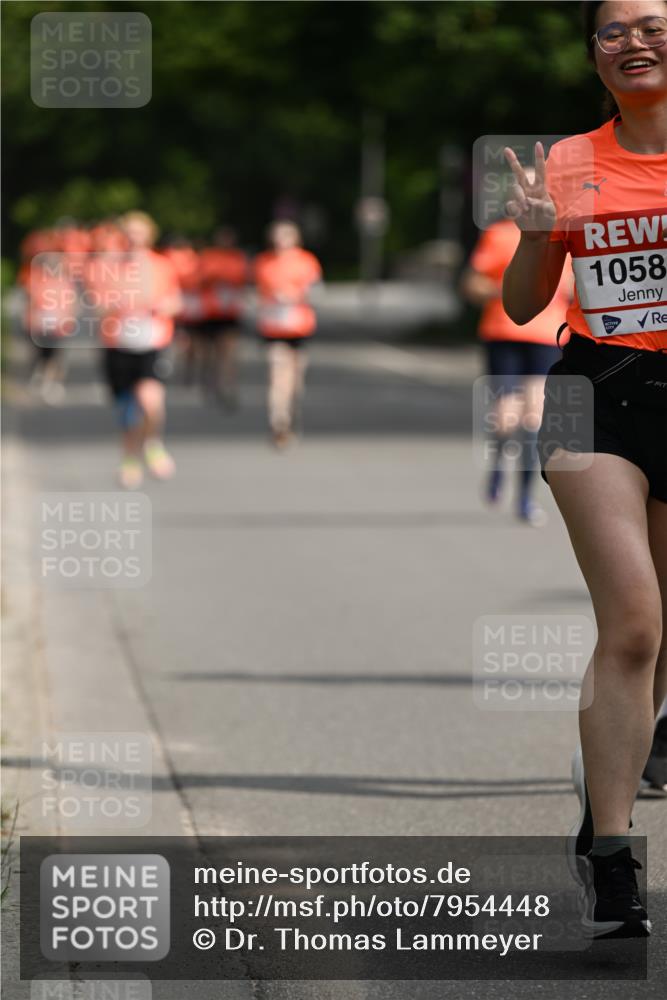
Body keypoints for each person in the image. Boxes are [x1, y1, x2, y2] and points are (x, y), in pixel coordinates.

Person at [502, 0, 667, 938]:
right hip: (591, 388)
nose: (633, 42)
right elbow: (523, 307)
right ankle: (612, 853)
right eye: (613, 31)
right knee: (635, 624)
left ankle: (612, 763)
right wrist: (534, 233)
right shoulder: (567, 160)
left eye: (652, 24)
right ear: (592, 54)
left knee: (665, 633)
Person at [461, 200, 573, 524]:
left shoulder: (563, 234)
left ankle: (525, 498)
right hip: (503, 331)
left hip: (547, 335)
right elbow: (472, 284)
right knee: (505, 415)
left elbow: (575, 285)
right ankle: (498, 466)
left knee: (534, 415)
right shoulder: (498, 234)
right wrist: (509, 289)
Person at [88, 211, 182, 489]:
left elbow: (176, 302)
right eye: (128, 233)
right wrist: (120, 306)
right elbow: (96, 306)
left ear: (149, 236)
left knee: (151, 401)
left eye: (139, 233)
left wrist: (161, 307)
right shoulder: (107, 266)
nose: (133, 239)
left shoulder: (162, 265)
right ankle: (129, 457)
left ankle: (153, 443)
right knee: (128, 410)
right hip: (118, 344)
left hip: (151, 341)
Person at [253, 220, 322, 448]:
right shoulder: (264, 262)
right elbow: (257, 294)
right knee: (277, 371)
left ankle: (292, 413)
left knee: (296, 379)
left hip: (299, 326)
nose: (280, 241)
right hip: (274, 326)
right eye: (277, 236)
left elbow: (317, 292)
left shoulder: (306, 261)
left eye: (286, 236)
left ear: (295, 238)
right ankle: (278, 420)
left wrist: (295, 296)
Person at [197, 227, 249, 408]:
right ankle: (210, 381)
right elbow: (199, 280)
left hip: (230, 312)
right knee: (210, 352)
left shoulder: (238, 258)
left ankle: (227, 385)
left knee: (229, 351)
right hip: (210, 311)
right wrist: (214, 279)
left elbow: (244, 281)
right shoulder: (208, 257)